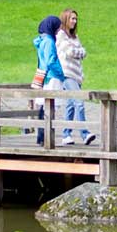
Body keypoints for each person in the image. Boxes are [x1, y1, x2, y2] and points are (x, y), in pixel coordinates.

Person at [56, 8, 95, 145]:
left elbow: (83, 52)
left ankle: (66, 134)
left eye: (76, 19)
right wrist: (80, 52)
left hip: (77, 75)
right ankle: (84, 134)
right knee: (79, 101)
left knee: (71, 105)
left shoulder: (75, 37)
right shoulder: (61, 35)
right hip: (67, 75)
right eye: (72, 18)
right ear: (66, 19)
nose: (75, 21)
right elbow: (72, 52)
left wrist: (80, 52)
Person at [32, 15, 66, 144]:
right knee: (49, 107)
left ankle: (41, 137)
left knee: (43, 107)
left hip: (44, 76)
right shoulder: (49, 41)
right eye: (58, 28)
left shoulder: (42, 40)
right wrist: (61, 73)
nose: (58, 30)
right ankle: (46, 138)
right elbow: (51, 61)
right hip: (52, 76)